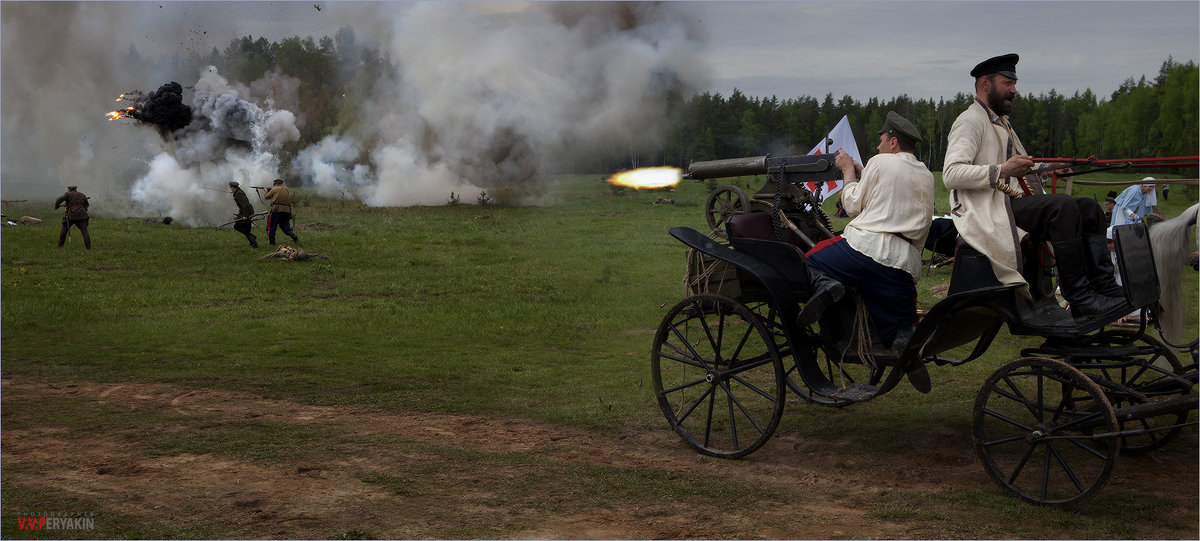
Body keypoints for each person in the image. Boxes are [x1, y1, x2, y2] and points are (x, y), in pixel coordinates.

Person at [942, 53, 1123, 319]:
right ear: (985, 84)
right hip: (985, 211)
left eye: (1014, 84)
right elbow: (951, 174)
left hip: (1007, 204)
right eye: (1007, 83)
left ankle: (1105, 287)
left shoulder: (1002, 123)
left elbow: (1020, 168)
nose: (1014, 90)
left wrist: (1046, 167)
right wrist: (1002, 170)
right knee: (1061, 207)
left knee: (1088, 207)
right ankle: (1080, 298)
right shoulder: (970, 121)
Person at [804, 111, 935, 349]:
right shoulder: (926, 174)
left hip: (867, 249)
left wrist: (847, 171)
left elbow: (852, 205)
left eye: (882, 140)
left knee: (809, 260)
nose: (878, 145)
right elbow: (885, 192)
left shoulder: (880, 162)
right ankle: (904, 344)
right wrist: (862, 172)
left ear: (893, 142)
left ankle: (826, 287)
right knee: (903, 326)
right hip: (904, 263)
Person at [257, 178, 299, 245]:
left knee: (271, 226)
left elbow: (266, 197)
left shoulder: (274, 189)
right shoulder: (286, 189)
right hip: (286, 211)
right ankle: (294, 236)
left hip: (277, 211)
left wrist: (266, 191)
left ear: (276, 184)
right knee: (285, 226)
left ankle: (272, 243)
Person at [54, 185, 91, 249]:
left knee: (64, 230)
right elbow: (86, 205)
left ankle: (59, 246)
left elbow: (59, 199)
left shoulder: (67, 194)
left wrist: (57, 206)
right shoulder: (82, 195)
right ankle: (88, 247)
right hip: (82, 216)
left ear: (69, 190)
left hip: (71, 216)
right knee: (85, 231)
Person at [229, 181, 258, 247]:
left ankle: (253, 240)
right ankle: (252, 242)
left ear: (233, 187)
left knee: (237, 226)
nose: (230, 189)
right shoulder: (238, 192)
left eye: (230, 187)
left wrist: (245, 215)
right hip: (246, 211)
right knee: (246, 229)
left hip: (247, 212)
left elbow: (245, 205)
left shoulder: (239, 193)